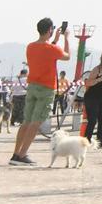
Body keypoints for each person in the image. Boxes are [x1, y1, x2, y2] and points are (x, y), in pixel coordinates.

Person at [11, 18, 69, 165]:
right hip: (46, 88)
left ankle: (16, 153)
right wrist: (66, 38)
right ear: (49, 29)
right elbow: (66, 56)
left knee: (27, 121)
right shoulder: (52, 49)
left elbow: (47, 52)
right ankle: (23, 155)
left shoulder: (30, 47)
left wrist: (54, 39)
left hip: (32, 87)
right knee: (35, 123)